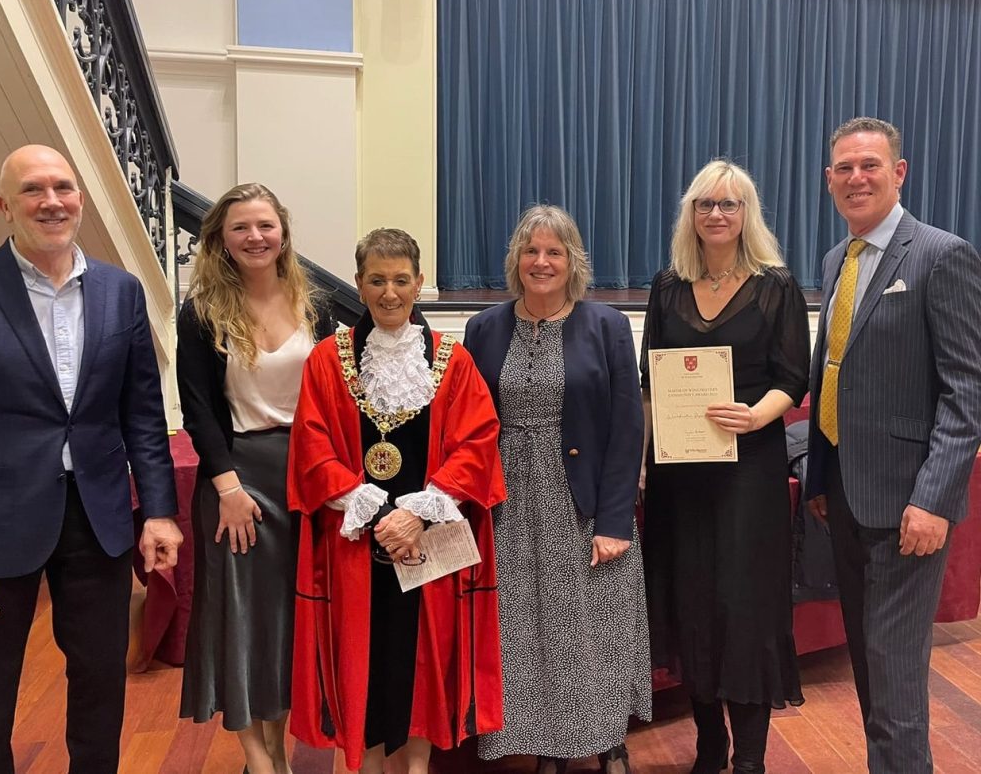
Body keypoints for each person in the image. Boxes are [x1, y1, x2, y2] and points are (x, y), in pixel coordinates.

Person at [0, 144, 182, 774]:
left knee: (100, 682)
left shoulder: (121, 291)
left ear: (80, 198)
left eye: (63, 187)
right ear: (5, 206)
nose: (51, 201)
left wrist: (159, 512)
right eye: (32, 190)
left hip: (99, 518)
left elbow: (141, 413)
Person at [287, 228, 506, 774]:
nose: (390, 292)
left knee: (424, 660)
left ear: (419, 282)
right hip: (357, 542)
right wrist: (373, 509)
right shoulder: (326, 360)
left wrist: (415, 513)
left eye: (401, 280)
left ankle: (415, 769)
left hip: (428, 540)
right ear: (358, 284)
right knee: (365, 657)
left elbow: (478, 442)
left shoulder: (452, 360)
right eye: (377, 280)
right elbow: (312, 448)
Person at [805, 117, 981, 773]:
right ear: (829, 181)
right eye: (844, 168)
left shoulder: (942, 256)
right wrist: (821, 479)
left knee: (896, 677)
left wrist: (935, 501)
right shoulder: (836, 260)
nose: (857, 178)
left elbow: (968, 392)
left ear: (898, 173)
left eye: (870, 165)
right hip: (848, 501)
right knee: (872, 672)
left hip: (910, 510)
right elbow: (837, 375)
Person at [463, 205, 651, 774]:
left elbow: (626, 428)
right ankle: (551, 745)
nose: (541, 262)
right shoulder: (483, 328)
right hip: (509, 502)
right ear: (516, 260)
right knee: (526, 630)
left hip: (584, 501)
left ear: (573, 262)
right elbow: (468, 421)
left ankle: (608, 739)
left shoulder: (608, 326)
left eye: (554, 252)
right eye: (531, 251)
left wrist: (617, 520)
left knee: (595, 628)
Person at [640, 160, 809, 774]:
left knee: (746, 608)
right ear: (691, 214)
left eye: (729, 205)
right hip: (680, 477)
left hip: (749, 470)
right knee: (693, 604)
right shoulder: (667, 286)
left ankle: (753, 759)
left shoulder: (776, 285)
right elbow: (650, 381)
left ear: (746, 215)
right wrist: (642, 458)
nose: (716, 214)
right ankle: (709, 747)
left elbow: (794, 379)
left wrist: (754, 416)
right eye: (705, 204)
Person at [177, 183, 333, 774]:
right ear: (220, 238)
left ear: (284, 233)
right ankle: (259, 759)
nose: (255, 237)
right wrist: (227, 491)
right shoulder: (202, 312)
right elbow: (197, 409)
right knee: (241, 618)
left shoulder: (313, 303)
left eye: (265, 225)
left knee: (285, 620)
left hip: (309, 478)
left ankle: (277, 749)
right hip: (239, 483)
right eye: (240, 227)